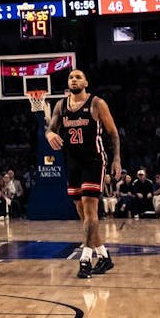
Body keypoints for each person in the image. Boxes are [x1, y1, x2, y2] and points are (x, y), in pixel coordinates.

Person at [45, 69, 121, 279]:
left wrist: (116, 159)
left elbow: (113, 133)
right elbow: (50, 127)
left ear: (86, 82)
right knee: (82, 211)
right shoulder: (61, 105)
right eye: (71, 77)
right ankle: (104, 257)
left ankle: (85, 259)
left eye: (78, 77)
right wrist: (50, 133)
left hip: (94, 160)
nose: (74, 79)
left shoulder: (97, 103)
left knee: (90, 208)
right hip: (72, 162)